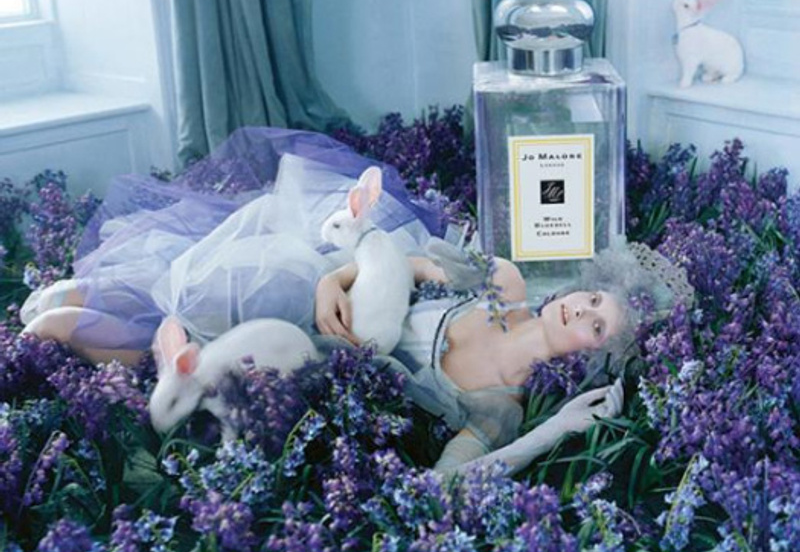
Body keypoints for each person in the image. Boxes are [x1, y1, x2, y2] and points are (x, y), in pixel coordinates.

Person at [19, 127, 689, 474]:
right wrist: (329, 283)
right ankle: (109, 295)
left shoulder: (499, 408)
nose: (581, 310)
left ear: (590, 357)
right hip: (328, 300)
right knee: (270, 277)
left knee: (209, 372)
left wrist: (555, 430)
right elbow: (398, 260)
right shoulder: (504, 284)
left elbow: (449, 484)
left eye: (596, 327)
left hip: (318, 372)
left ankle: (81, 322)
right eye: (591, 298)